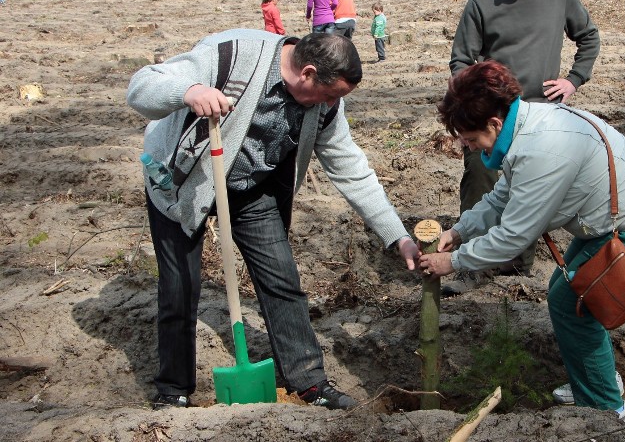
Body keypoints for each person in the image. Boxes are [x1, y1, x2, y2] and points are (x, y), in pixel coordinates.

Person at [126, 31, 420, 411]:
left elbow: (351, 169)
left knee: (282, 281)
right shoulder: (230, 55)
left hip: (251, 188)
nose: (333, 104)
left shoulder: (325, 105)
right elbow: (142, 86)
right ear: (308, 73)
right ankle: (173, 390)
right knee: (180, 288)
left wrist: (396, 236)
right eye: (331, 95)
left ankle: (310, 383)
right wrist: (189, 90)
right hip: (181, 186)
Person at [417, 61, 625, 423]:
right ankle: (594, 378)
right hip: (624, 216)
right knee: (567, 290)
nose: (467, 147)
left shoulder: (543, 149)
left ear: (494, 124)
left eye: (470, 139)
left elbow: (514, 236)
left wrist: (453, 261)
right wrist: (457, 232)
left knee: (575, 304)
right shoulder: (527, 126)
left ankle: (606, 410)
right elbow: (501, 199)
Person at [447, 0, 601, 286]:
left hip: (542, 117)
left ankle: (516, 267)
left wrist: (573, 79)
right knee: (481, 181)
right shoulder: (481, 0)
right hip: (492, 117)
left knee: (529, 190)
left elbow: (589, 38)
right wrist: (474, 103)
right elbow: (460, 61)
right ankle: (470, 266)